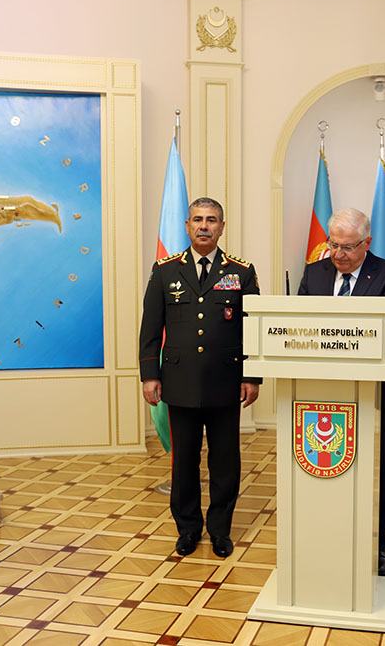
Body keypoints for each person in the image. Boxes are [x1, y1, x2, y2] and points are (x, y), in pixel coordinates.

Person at [139, 197, 260, 559]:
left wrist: (252, 375)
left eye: (211, 220)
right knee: (184, 463)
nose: (204, 226)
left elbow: (253, 327)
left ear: (221, 227)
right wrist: (149, 374)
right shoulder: (165, 270)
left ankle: (220, 529)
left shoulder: (241, 272)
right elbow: (151, 327)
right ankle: (188, 528)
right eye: (197, 220)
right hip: (179, 382)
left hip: (226, 381)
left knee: (225, 462)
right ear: (187, 226)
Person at [297, 207, 385, 576]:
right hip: (319, 392)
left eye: (348, 247)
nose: (339, 254)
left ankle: (377, 545)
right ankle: (325, 537)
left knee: (375, 470)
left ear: (367, 243)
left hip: (372, 393)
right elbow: (300, 328)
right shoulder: (314, 273)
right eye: (333, 245)